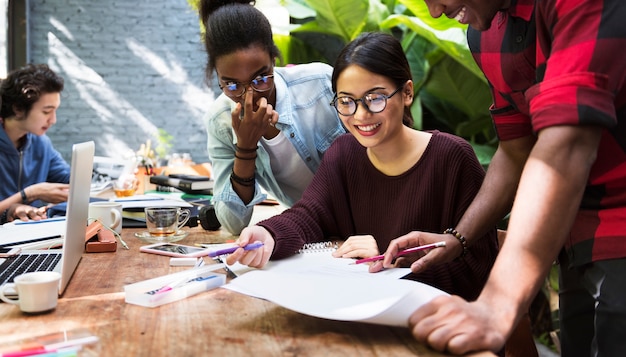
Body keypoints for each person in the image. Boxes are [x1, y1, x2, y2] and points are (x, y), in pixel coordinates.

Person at [371, 0, 626, 355]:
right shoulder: (485, 32)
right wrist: (457, 239)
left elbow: (567, 145)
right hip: (574, 235)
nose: (434, 12)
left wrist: (497, 304)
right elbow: (515, 150)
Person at [225, 32, 499, 302]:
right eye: (346, 102)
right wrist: (269, 235)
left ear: (406, 93)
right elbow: (310, 214)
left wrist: (387, 264)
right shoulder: (344, 153)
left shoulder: (452, 158)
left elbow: (478, 269)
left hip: (434, 328)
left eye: (375, 98)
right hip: (359, 317)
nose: (360, 115)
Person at [198, 0, 346, 235]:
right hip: (314, 235)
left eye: (261, 78)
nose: (250, 95)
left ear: (274, 60)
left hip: (364, 223)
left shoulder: (320, 85)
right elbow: (232, 223)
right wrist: (245, 147)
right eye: (232, 84)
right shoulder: (222, 122)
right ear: (218, 77)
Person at [0, 64, 70, 223]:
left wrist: (116, 178)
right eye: (46, 111)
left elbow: (69, 179)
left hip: (32, 238)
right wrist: (30, 193)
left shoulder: (41, 143)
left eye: (55, 111)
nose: (53, 120)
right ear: (18, 109)